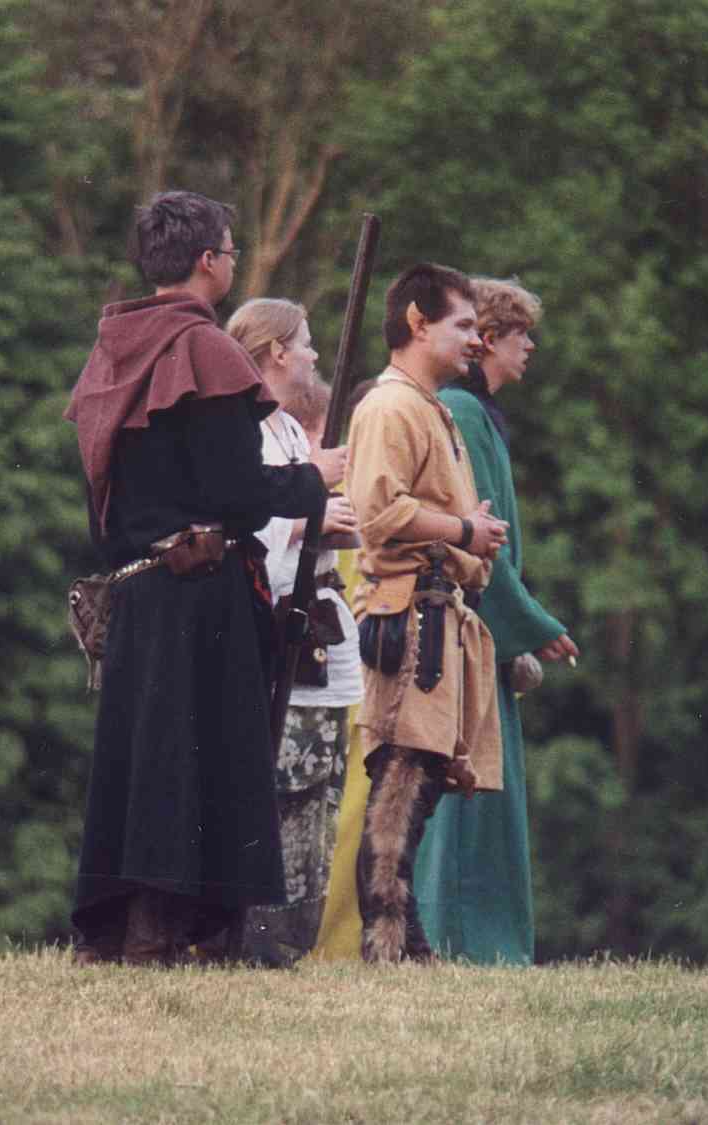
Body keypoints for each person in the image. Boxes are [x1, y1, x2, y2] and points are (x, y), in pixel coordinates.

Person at [64, 191, 327, 967]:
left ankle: (119, 933)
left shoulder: (113, 348)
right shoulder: (205, 349)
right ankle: (154, 933)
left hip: (137, 584)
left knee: (145, 757)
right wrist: (311, 480)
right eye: (231, 251)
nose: (232, 262)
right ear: (209, 260)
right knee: (183, 760)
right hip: (198, 592)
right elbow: (237, 492)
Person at [344, 263, 509, 963]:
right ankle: (388, 942)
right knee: (400, 783)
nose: (476, 339)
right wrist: (463, 529)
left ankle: (404, 940)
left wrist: (467, 530)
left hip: (437, 613)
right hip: (409, 618)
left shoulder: (428, 407)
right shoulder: (391, 407)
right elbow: (379, 512)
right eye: (463, 325)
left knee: (422, 782)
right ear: (417, 322)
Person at [415, 277, 579, 965]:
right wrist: (534, 623)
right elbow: (482, 542)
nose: (529, 346)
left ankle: (479, 942)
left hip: (482, 631)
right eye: (520, 334)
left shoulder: (477, 413)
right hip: (465, 630)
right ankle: (467, 943)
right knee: (470, 788)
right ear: (488, 339)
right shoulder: (461, 408)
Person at [226, 299, 363, 966]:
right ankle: (258, 939)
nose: (312, 354)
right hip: (276, 633)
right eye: (304, 343)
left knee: (317, 800)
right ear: (277, 351)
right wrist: (312, 517)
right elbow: (252, 531)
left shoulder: (282, 428)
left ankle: (290, 942)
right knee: (283, 793)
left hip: (317, 632)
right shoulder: (248, 433)